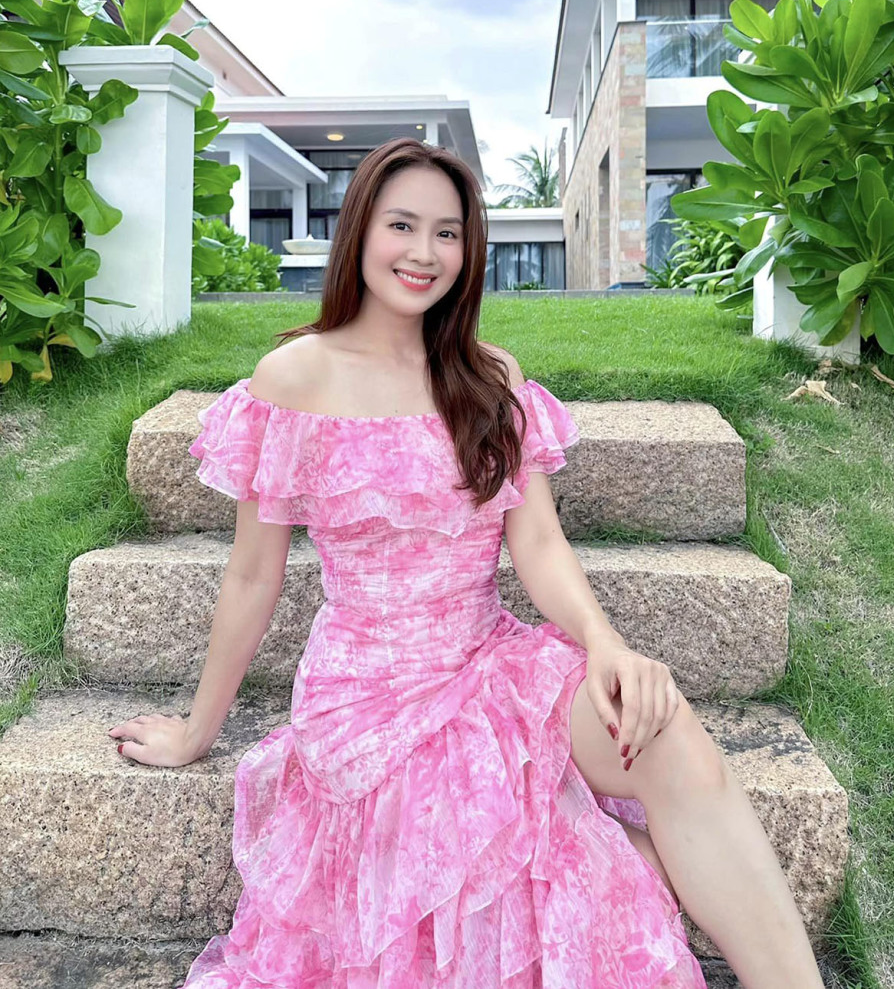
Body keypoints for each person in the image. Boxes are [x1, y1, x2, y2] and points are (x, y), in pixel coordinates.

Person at [107, 138, 825, 987]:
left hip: (491, 661)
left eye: (447, 232)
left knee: (668, 736)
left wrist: (604, 642)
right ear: (359, 229)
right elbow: (252, 577)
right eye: (402, 224)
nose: (424, 251)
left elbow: (539, 542)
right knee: (506, 853)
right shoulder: (293, 378)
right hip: (367, 702)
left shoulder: (487, 378)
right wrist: (197, 729)